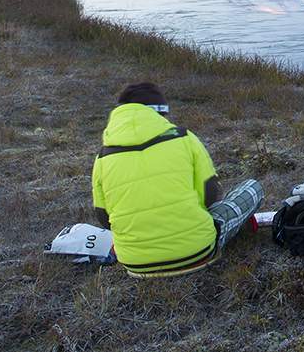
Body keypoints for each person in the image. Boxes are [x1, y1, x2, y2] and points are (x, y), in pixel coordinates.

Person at [91, 82, 264, 277]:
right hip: (198, 252)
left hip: (135, 264)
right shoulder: (184, 137)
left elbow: (104, 218)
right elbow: (212, 196)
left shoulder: (103, 157)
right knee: (252, 187)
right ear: (158, 112)